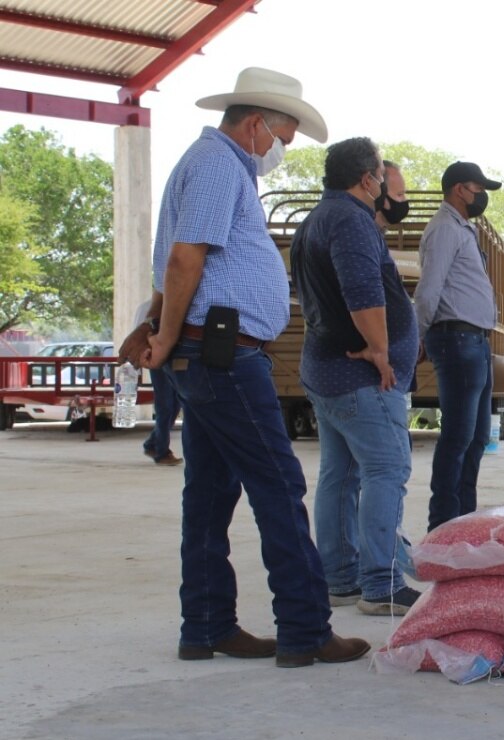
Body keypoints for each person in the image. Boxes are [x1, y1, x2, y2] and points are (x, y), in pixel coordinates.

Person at [120, 67, 368, 666]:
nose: (281, 148)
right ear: (256, 123)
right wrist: (169, 332)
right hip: (222, 354)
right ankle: (306, 630)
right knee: (279, 487)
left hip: (211, 351)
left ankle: (206, 626)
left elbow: (178, 266)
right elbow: (184, 261)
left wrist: (161, 327)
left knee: (208, 494)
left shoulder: (217, 165)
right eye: (283, 133)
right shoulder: (216, 164)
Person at [291, 138, 421, 616]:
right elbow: (363, 292)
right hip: (361, 375)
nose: (388, 190)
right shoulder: (351, 220)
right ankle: (380, 583)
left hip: (326, 370)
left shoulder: (316, 219)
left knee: (339, 476)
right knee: (387, 471)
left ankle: (340, 579)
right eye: (384, 180)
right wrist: (382, 353)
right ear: (368, 179)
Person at [413, 161, 501, 531]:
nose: (480, 196)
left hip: (474, 342)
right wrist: (417, 336)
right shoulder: (445, 228)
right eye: (477, 188)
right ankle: (444, 525)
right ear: (458, 189)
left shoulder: (462, 228)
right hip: (456, 339)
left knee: (477, 436)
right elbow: (429, 287)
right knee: (459, 437)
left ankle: (465, 520)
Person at [131, 297, 182, 466]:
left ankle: (153, 443)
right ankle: (161, 450)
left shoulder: (173, 304)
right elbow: (138, 335)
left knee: (175, 404)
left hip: (175, 357)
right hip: (157, 358)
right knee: (165, 404)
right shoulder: (146, 309)